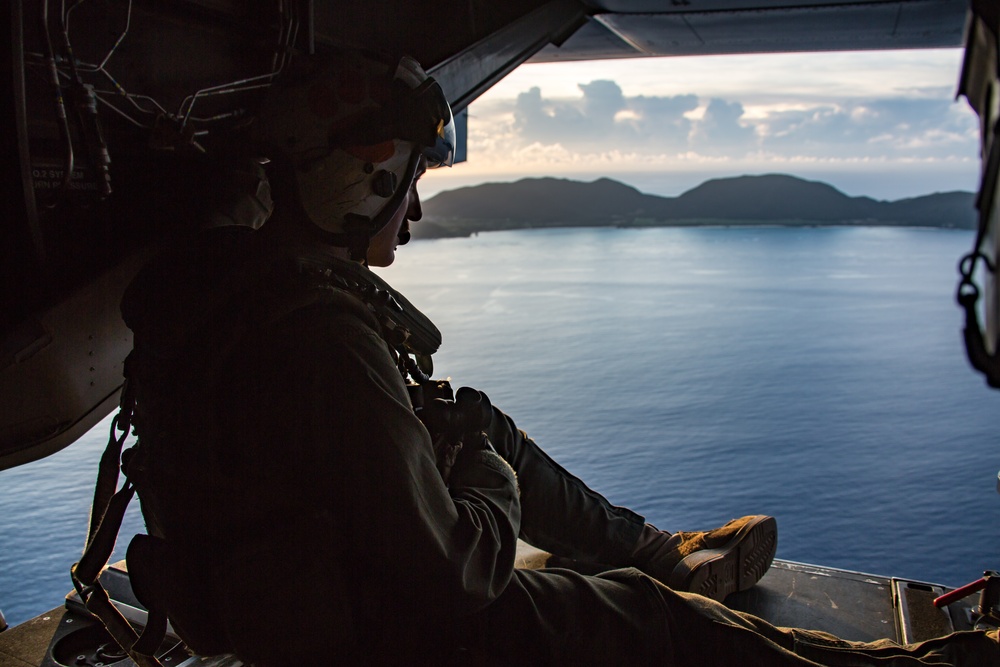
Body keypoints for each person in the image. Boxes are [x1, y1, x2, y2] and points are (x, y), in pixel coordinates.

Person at [118, 51, 999, 666]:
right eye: (408, 183)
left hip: (308, 598)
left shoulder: (233, 291)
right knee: (647, 621)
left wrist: (470, 452)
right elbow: (454, 576)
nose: (415, 214)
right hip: (385, 635)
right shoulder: (321, 336)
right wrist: (490, 480)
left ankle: (657, 548)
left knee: (475, 422)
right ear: (366, 180)